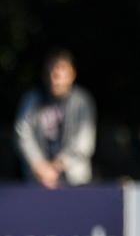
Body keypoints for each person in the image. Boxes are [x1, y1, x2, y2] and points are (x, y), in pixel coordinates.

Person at [14, 49, 96, 189]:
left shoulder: (82, 102)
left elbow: (84, 142)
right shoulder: (32, 100)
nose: (55, 76)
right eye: (52, 70)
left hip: (76, 182)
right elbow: (22, 134)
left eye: (61, 70)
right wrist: (39, 165)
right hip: (37, 181)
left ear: (72, 74)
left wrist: (56, 166)